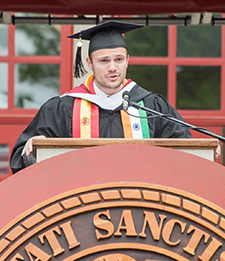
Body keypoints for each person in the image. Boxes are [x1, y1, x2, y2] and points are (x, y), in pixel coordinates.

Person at [10, 20, 192, 174]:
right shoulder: (64, 108)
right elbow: (20, 161)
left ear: (128, 60)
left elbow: (187, 152)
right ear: (89, 63)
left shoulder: (150, 106)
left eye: (119, 59)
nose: (112, 67)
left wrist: (204, 150)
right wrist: (33, 150)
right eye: (104, 61)